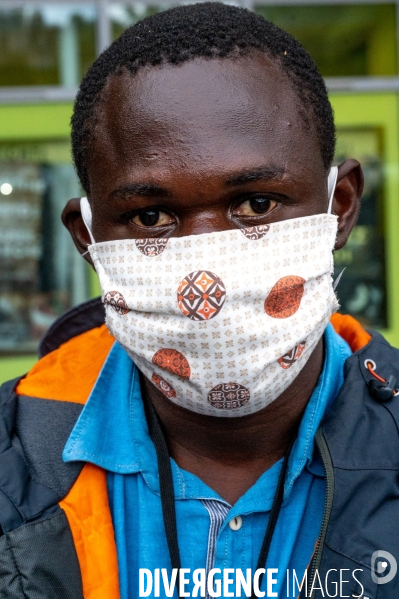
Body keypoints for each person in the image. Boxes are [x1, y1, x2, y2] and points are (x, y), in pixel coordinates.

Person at [1, 3, 398, 598]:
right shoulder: (13, 463)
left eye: (257, 205)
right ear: (89, 241)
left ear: (338, 207)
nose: (205, 270)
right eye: (151, 216)